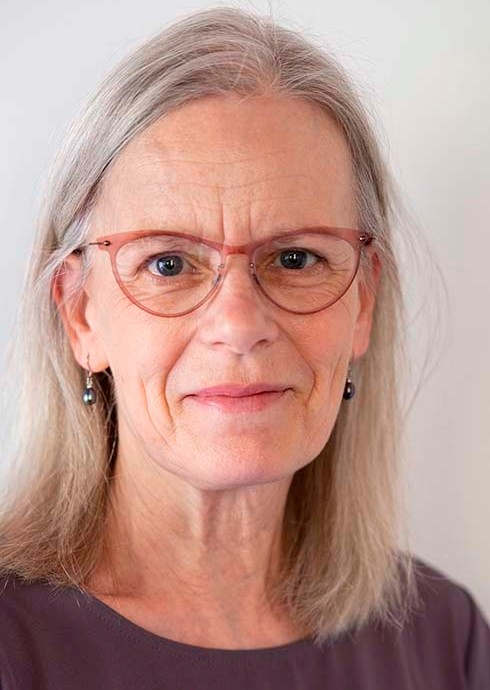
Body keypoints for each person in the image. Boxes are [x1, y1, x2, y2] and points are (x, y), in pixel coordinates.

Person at [0, 6, 488, 688]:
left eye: (295, 258)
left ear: (363, 302)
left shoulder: (443, 641)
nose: (238, 324)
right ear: (81, 315)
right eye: (169, 263)